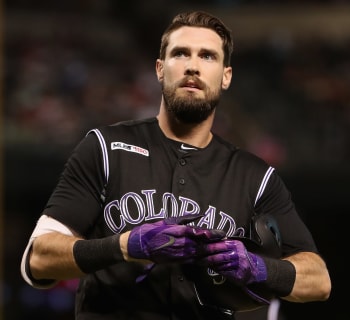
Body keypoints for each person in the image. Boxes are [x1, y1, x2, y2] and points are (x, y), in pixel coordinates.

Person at [20, 10, 331, 319]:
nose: (193, 66)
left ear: (226, 76)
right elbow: (38, 258)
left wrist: (259, 267)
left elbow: (318, 281)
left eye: (207, 56)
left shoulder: (255, 176)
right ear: (159, 68)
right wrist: (124, 246)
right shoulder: (105, 148)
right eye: (181, 53)